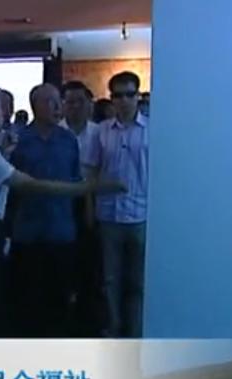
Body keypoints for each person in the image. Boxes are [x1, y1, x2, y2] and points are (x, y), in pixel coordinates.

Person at [0, 83, 124, 339]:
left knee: (52, 300)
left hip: (54, 229)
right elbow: (31, 185)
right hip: (3, 232)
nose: (4, 112)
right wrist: (94, 187)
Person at [9, 83, 86, 337]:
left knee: (60, 295)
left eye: (58, 101)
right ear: (35, 106)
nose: (57, 107)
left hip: (61, 228)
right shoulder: (19, 140)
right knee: (28, 295)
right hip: (27, 229)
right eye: (50, 101)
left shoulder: (68, 140)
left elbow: (76, 181)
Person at [83, 71, 149, 338]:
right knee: (110, 279)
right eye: (118, 95)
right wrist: (89, 208)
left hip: (142, 215)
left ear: (138, 96)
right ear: (111, 99)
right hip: (108, 215)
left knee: (138, 281)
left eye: (129, 94)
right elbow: (90, 172)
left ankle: (136, 333)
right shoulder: (101, 132)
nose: (124, 100)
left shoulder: (152, 130)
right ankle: (114, 329)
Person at [60, 80, 103, 336]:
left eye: (80, 101)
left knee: (90, 261)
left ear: (90, 104)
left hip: (92, 200)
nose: (75, 106)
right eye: (70, 102)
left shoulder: (100, 133)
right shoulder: (56, 131)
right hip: (62, 201)